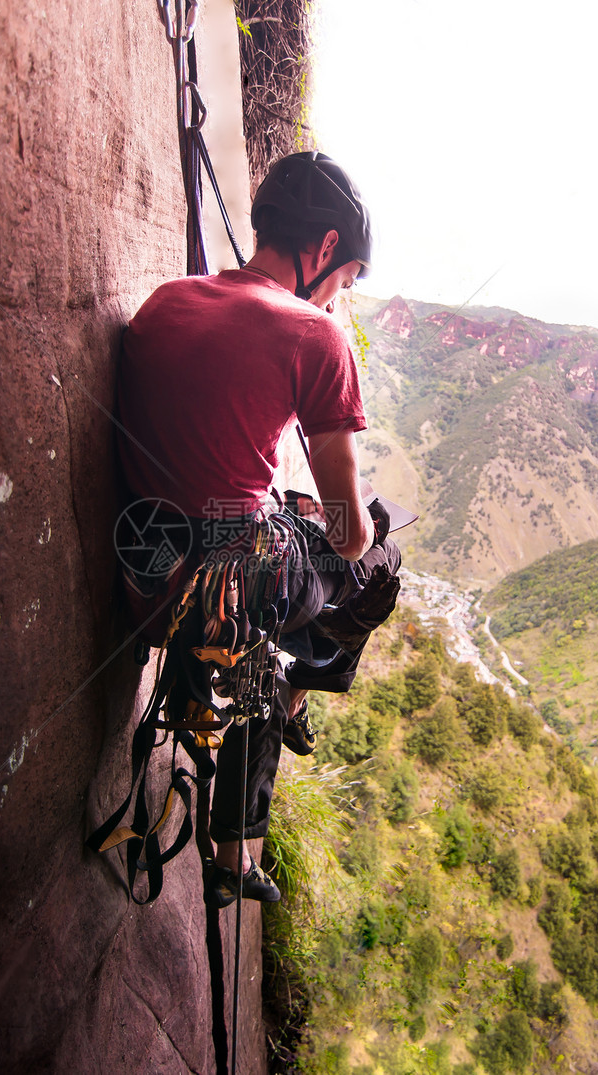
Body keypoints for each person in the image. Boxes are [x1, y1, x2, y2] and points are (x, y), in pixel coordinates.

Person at [116, 151, 401, 906]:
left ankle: (290, 695)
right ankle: (304, 691)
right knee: (377, 560)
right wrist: (358, 532)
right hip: (218, 591)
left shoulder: (169, 298)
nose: (338, 298)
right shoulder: (316, 336)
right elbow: (344, 537)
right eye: (344, 281)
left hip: (143, 571)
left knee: (284, 539)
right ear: (327, 249)